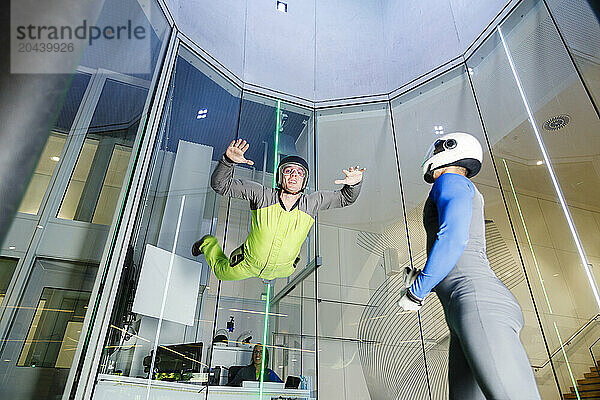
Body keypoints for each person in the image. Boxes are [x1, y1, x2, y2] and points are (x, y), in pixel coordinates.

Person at [398, 132, 541, 399]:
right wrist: (425, 277)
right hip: (463, 310)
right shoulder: (456, 185)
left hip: (477, 303)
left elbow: (453, 237)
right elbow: (456, 249)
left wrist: (418, 290)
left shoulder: (451, 180)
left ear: (447, 151)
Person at [192, 138, 365, 281]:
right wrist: (227, 162)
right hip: (249, 264)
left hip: (285, 270)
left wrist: (355, 184)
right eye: (288, 171)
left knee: (280, 269)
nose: (294, 175)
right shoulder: (261, 195)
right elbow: (221, 186)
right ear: (280, 177)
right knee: (221, 273)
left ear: (304, 181)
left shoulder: (312, 202)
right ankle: (208, 243)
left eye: (299, 173)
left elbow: (346, 198)